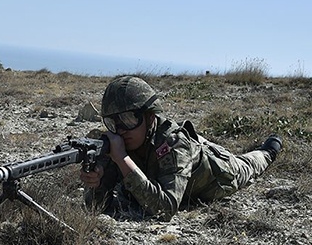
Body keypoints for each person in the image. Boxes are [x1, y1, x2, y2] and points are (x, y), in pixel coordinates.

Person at [80, 75, 282, 221]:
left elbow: (165, 209)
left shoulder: (173, 144)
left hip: (220, 171)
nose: (120, 129)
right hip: (189, 151)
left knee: (250, 163)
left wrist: (122, 159)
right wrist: (97, 183)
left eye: (129, 119)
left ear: (150, 117)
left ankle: (270, 149)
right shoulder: (122, 141)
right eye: (112, 122)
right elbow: (95, 206)